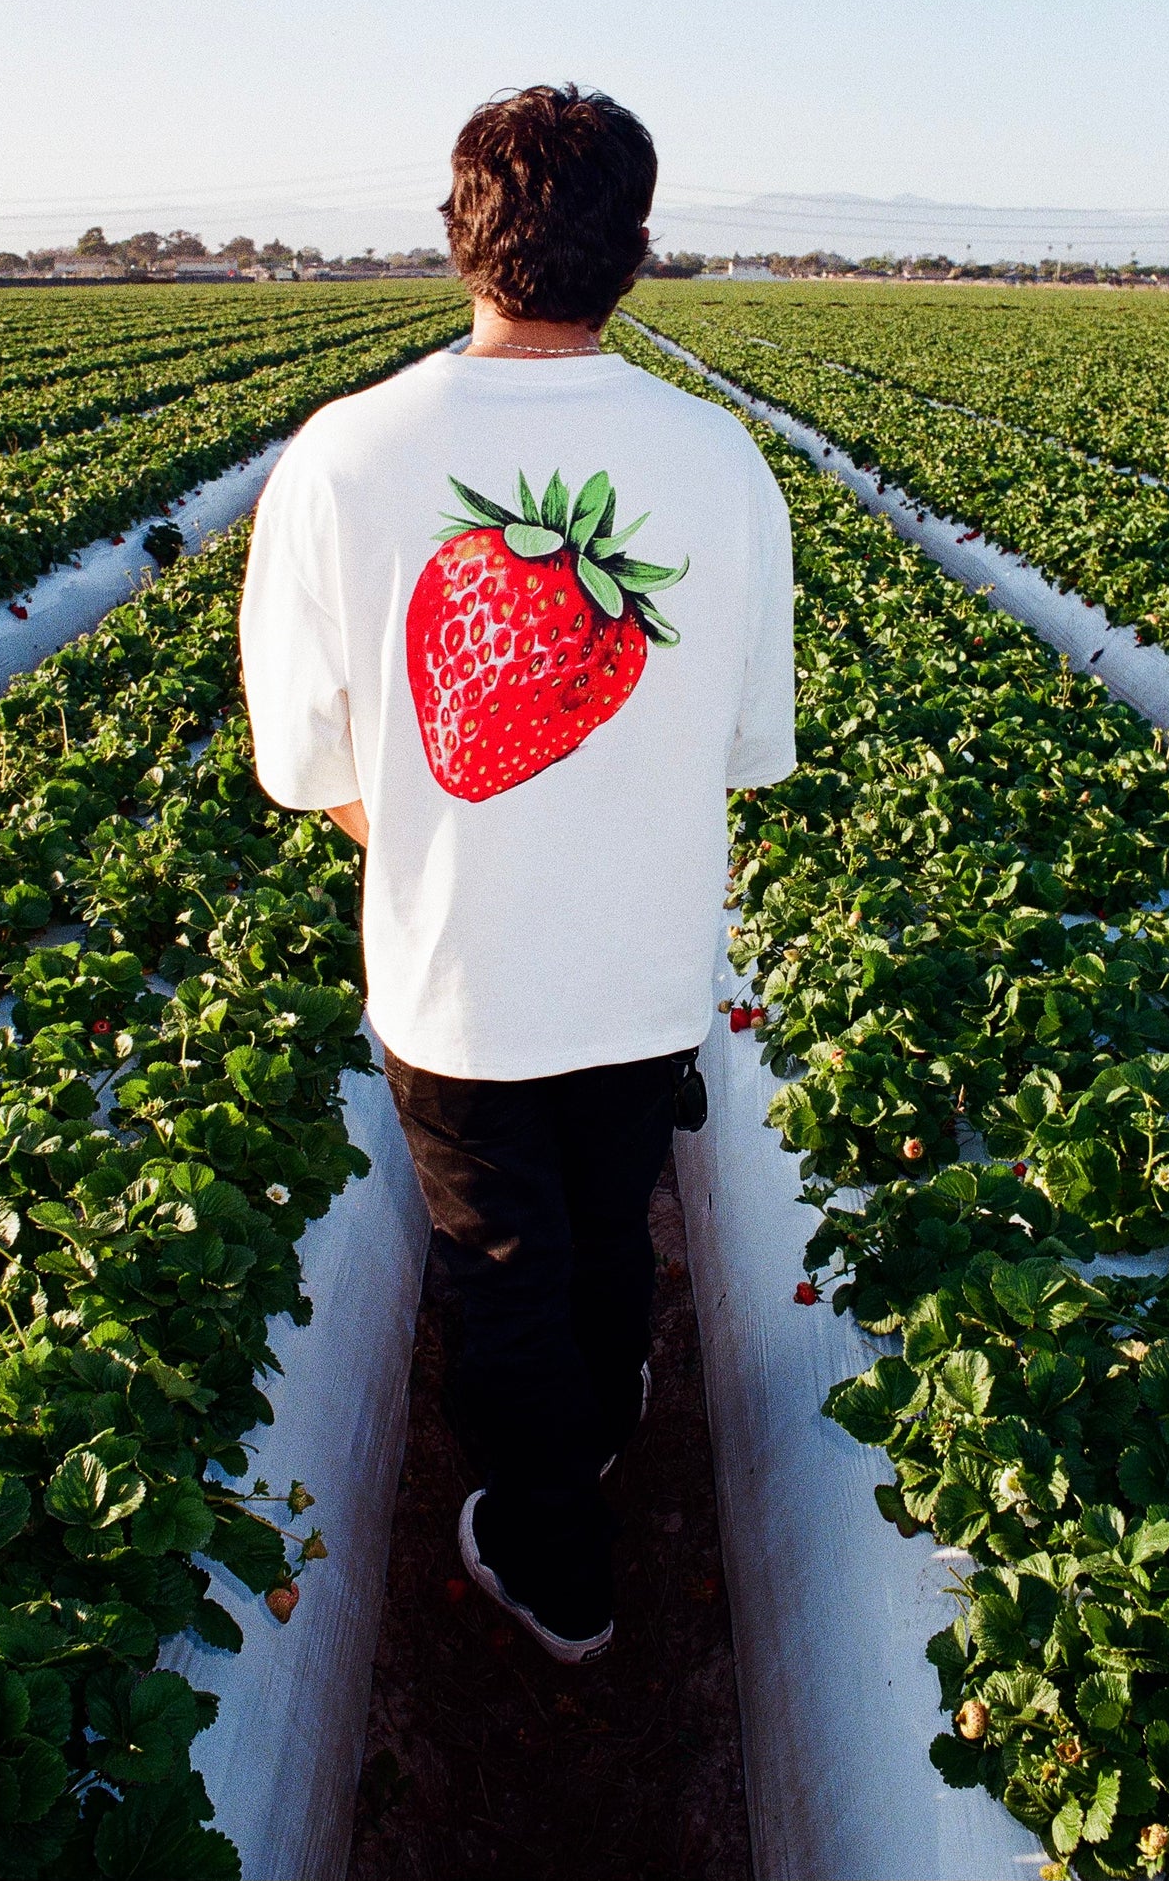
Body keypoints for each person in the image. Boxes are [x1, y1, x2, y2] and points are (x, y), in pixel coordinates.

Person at [240, 84, 796, 1664]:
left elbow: (308, 769)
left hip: (453, 970)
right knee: (609, 1217)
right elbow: (746, 745)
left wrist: (441, 830)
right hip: (643, 960)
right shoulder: (719, 463)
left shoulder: (346, 457)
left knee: (501, 1262)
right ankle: (608, 1422)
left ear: (457, 236)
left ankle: (556, 1560)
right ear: (634, 251)